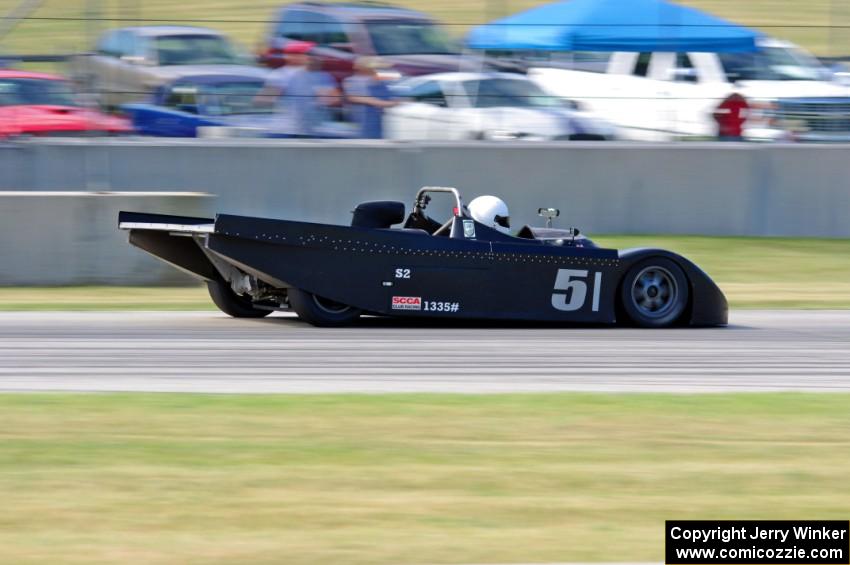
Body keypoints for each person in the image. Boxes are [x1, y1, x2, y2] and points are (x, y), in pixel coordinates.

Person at [259, 41, 341, 137]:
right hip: (287, 130)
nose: (313, 57)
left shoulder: (322, 76)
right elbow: (265, 100)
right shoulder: (280, 75)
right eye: (308, 54)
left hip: (312, 129)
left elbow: (335, 99)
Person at [342, 57, 398, 139]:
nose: (377, 70)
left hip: (381, 122)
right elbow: (353, 97)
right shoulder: (353, 81)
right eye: (375, 67)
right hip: (364, 124)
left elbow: (394, 93)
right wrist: (385, 103)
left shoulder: (382, 80)